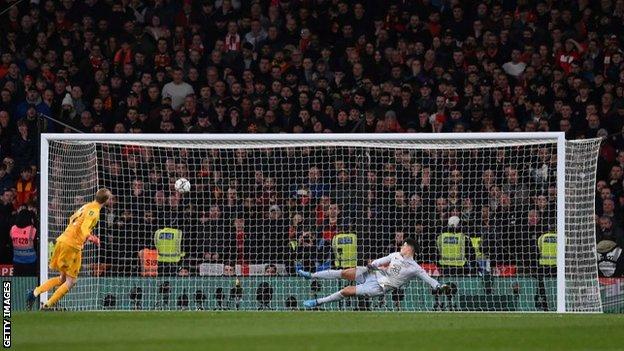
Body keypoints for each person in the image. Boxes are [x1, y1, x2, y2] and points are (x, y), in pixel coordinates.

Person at [296, 238, 449, 308]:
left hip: (379, 287)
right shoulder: (395, 255)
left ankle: (316, 303)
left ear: (409, 248)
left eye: (404, 245)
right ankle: (311, 275)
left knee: (346, 291)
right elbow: (380, 261)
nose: (401, 246)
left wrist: (440, 286)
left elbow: (430, 280)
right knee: (344, 272)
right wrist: (371, 265)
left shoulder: (415, 267)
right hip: (373, 274)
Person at [27, 188, 112, 309]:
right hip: (70, 245)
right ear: (106, 200)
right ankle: (47, 305)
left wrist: (80, 235)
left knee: (63, 279)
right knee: (70, 281)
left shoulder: (87, 206)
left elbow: (72, 219)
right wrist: (92, 238)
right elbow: (84, 227)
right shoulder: (94, 211)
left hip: (67, 241)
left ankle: (35, 293)